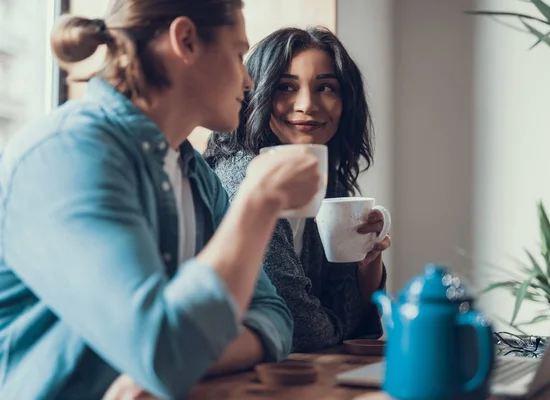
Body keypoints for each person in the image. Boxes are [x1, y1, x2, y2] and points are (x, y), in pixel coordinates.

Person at [0, 1, 322, 399]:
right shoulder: (67, 155)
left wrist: (176, 363)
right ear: (185, 41)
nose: (249, 80)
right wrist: (257, 202)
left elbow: (274, 319)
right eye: (239, 54)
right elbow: (164, 354)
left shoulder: (197, 175)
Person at [204, 27, 391, 352]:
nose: (307, 104)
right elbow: (302, 330)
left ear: (346, 102)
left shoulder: (325, 179)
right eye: (286, 87)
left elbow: (366, 329)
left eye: (326, 88)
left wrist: (366, 264)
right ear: (256, 94)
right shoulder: (245, 176)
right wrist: (338, 325)